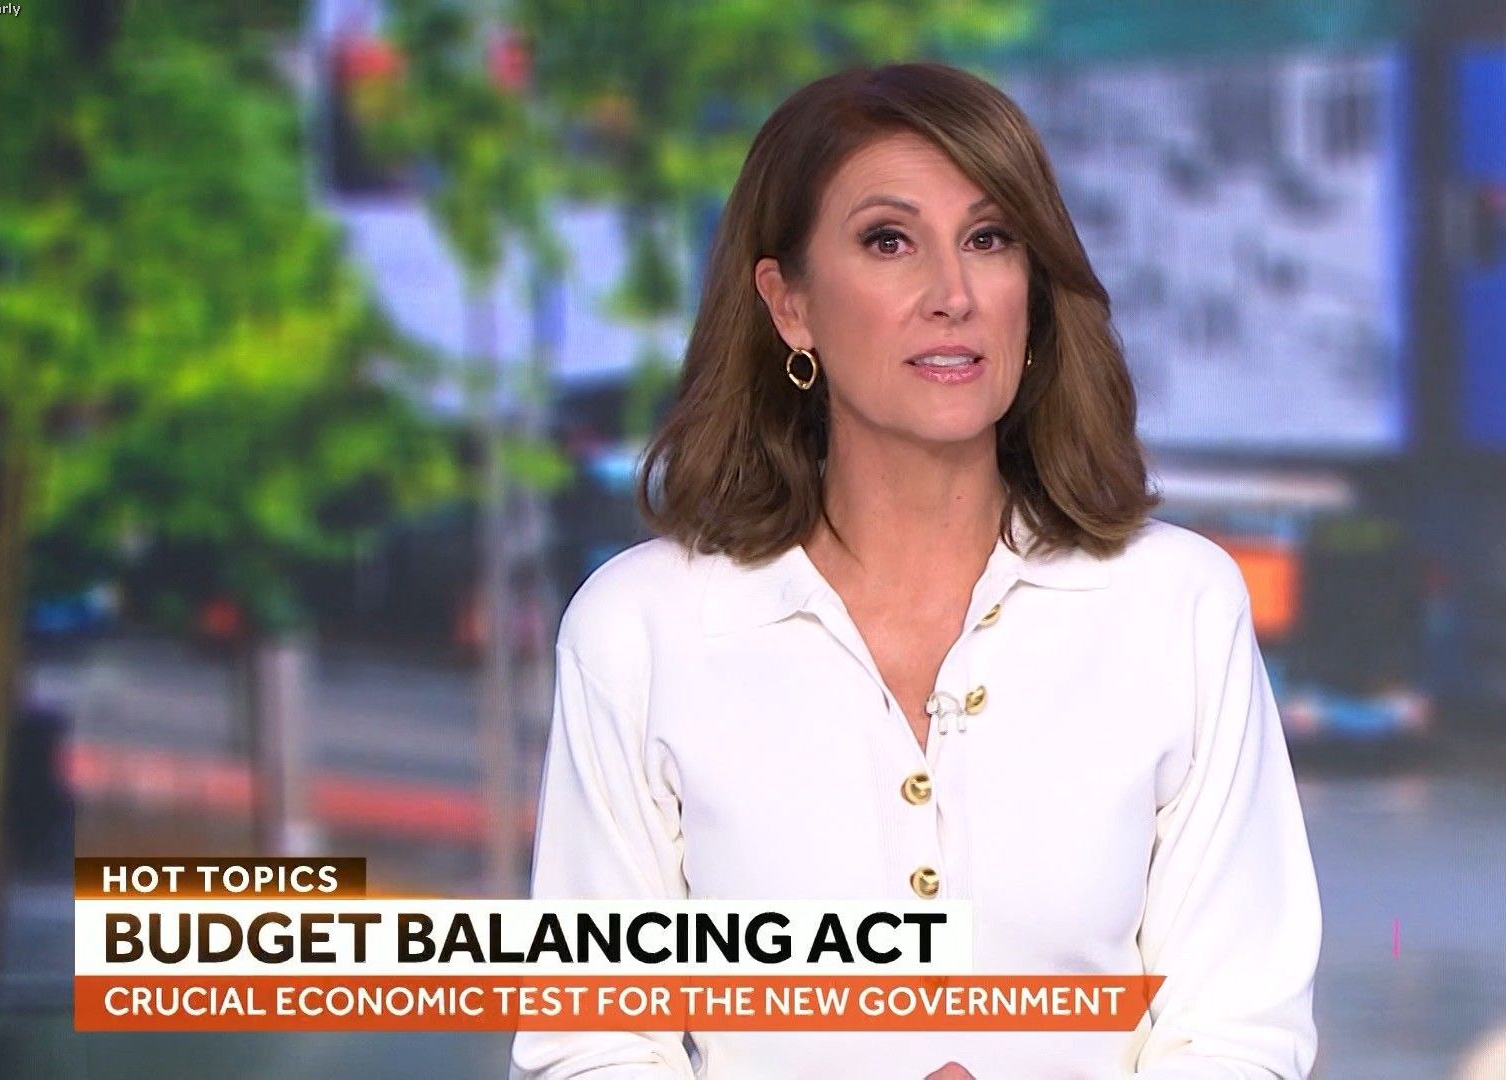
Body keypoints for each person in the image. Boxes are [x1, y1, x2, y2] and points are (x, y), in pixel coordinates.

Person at [511, 62, 1321, 1079]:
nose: (953, 295)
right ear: (790, 305)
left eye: (990, 239)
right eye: (889, 241)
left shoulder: (1177, 605)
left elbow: (1243, 1030)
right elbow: (588, 1041)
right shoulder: (641, 626)